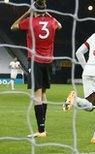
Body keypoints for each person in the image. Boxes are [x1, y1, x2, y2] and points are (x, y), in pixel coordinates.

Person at [11, 0, 62, 138]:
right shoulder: (52, 22)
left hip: (35, 61)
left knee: (37, 95)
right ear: (45, 10)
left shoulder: (30, 22)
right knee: (44, 93)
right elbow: (60, 25)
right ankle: (43, 127)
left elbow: (13, 27)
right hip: (48, 61)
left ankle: (41, 131)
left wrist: (27, 13)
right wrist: (46, 12)